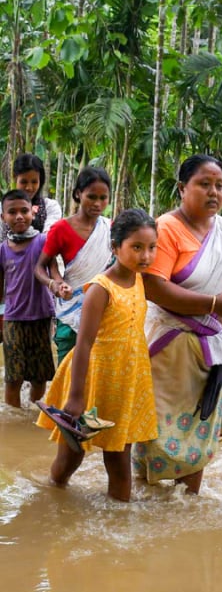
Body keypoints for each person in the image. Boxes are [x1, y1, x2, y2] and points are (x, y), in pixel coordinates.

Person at [133, 155, 222, 493]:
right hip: (169, 348)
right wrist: (215, 304)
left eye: (219, 185)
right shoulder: (167, 228)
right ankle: (147, 510)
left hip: (215, 349)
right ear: (182, 188)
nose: (213, 191)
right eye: (204, 184)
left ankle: (187, 508)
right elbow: (154, 287)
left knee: (200, 432)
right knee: (159, 433)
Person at [35, 209, 160, 502]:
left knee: (119, 460)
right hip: (92, 380)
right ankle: (49, 501)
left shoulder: (141, 280)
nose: (146, 256)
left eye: (152, 247)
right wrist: (76, 397)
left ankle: (118, 526)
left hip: (126, 381)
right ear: (115, 248)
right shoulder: (100, 289)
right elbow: (85, 344)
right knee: (71, 457)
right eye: (137, 247)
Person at [35, 167, 113, 364]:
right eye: (91, 196)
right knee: (66, 371)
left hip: (103, 309)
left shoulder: (110, 228)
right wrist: (54, 285)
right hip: (70, 308)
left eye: (103, 198)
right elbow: (39, 267)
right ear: (78, 194)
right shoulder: (61, 229)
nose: (98, 203)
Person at [0, 190, 54, 407]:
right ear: (3, 217)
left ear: (33, 212)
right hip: (13, 318)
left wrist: (58, 285)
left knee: (39, 377)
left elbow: (53, 270)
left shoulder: (43, 242)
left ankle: (34, 416)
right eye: (12, 212)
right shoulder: (2, 250)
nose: (19, 216)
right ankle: (15, 422)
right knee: (13, 378)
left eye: (24, 210)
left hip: (41, 317)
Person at [0, 153, 62, 240]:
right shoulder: (2, 208)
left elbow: (49, 238)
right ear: (15, 178)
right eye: (24, 182)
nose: (29, 187)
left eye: (34, 182)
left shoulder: (50, 207)